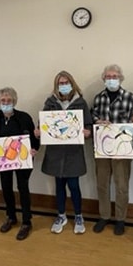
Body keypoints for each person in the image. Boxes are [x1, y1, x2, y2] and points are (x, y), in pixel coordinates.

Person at [40, 71, 93, 235]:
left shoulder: (81, 102)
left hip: (73, 153)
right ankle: (61, 215)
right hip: (55, 153)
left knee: (74, 186)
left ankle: (78, 216)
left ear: (72, 83)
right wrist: (39, 130)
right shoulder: (50, 102)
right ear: (56, 86)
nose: (63, 86)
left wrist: (87, 132)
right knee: (59, 186)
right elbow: (43, 123)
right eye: (60, 83)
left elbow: (89, 125)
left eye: (66, 82)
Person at [91, 64, 133, 235]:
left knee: (121, 185)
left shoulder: (129, 97)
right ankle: (104, 216)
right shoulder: (98, 98)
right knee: (102, 184)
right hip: (102, 149)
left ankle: (120, 219)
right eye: (108, 76)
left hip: (123, 149)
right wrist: (97, 122)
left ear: (121, 78)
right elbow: (92, 116)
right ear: (104, 79)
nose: (111, 79)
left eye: (115, 76)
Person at [0, 87, 39, 241]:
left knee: (22, 187)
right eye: (3, 100)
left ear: (14, 101)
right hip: (4, 162)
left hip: (23, 160)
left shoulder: (24, 117)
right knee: (6, 187)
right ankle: (11, 216)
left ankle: (26, 221)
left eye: (9, 100)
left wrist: (34, 149)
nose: (6, 102)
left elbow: (34, 138)